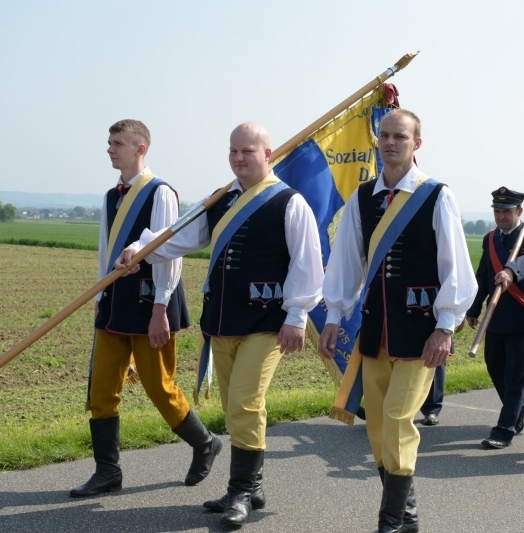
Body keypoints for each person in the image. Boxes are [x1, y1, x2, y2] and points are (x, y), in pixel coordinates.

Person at [115, 122, 324, 527]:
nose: (239, 158)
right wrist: (140, 250)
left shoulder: (289, 202)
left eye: (248, 151)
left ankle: (240, 491)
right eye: (233, 151)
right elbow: (179, 235)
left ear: (268, 155)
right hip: (223, 320)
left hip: (267, 321)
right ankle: (253, 485)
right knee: (234, 409)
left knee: (245, 403)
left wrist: (297, 317)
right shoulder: (221, 198)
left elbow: (306, 262)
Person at [319, 109, 477, 532]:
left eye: (400, 137)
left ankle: (389, 519)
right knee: (378, 427)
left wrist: (445, 327)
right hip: (375, 333)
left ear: (416, 144)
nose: (390, 143)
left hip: (420, 334)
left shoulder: (437, 195)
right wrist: (334, 315)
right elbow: (346, 265)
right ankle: (406, 516)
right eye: (384, 136)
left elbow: (456, 270)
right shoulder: (362, 198)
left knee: (399, 418)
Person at [70, 119, 221, 498]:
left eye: (117, 142)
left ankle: (205, 443)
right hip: (114, 305)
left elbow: (168, 256)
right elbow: (106, 251)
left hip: (151, 302)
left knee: (159, 387)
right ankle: (107, 472)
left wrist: (160, 308)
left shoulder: (160, 193)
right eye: (109, 142)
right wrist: (100, 298)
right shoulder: (111, 195)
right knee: (102, 389)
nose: (110, 148)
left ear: (141, 148)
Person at [465, 187, 524, 449]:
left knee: (515, 376)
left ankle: (505, 428)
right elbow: (483, 275)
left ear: (519, 211)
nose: (501, 216)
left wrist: (510, 271)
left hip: (522, 317)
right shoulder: (490, 239)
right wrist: (474, 308)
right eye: (497, 211)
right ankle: (520, 406)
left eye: (506, 211)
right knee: (494, 367)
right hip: (495, 316)